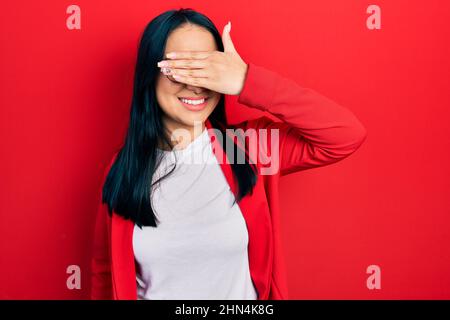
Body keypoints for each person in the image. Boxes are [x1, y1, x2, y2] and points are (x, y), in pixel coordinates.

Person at [90, 8, 367, 300]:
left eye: (206, 68)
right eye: (179, 68)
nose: (194, 84)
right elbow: (104, 273)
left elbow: (345, 134)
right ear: (150, 75)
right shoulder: (124, 167)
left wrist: (247, 80)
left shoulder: (249, 148)